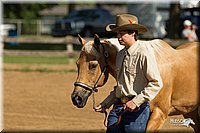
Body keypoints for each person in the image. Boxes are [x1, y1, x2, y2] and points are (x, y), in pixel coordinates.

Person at [94, 14, 163, 133]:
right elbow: (121, 86)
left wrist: (135, 102)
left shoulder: (144, 53)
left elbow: (156, 83)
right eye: (117, 34)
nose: (118, 37)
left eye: (122, 33)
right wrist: (106, 103)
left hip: (137, 110)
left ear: (133, 33)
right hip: (118, 107)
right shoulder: (120, 55)